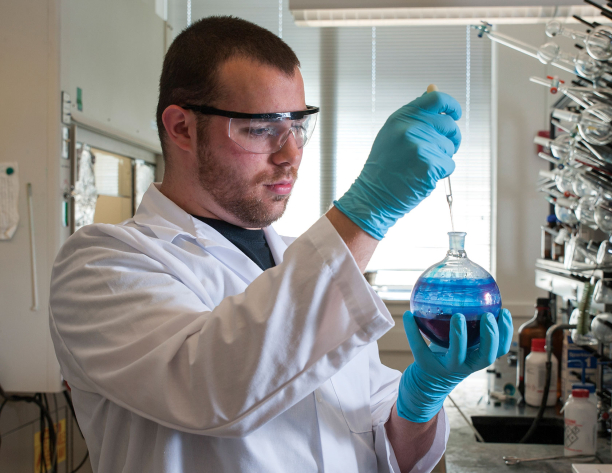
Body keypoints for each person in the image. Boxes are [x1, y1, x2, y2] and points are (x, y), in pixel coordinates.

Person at [49, 16, 513, 473]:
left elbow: (383, 451)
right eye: (260, 128)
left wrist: (421, 398)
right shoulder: (100, 266)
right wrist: (368, 210)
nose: (290, 154)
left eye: (297, 125)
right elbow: (213, 387)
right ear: (182, 128)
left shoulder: (311, 266)